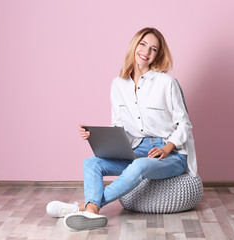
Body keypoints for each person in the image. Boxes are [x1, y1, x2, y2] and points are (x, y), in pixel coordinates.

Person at [46, 27, 197, 231]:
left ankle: (86, 208)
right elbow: (119, 125)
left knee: (139, 167)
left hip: (171, 154)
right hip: (136, 149)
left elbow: (184, 123)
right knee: (91, 163)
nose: (146, 51)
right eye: (143, 44)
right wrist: (96, 136)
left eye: (153, 48)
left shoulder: (166, 83)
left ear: (157, 55)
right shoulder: (118, 84)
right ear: (134, 45)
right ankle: (88, 208)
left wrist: (167, 148)